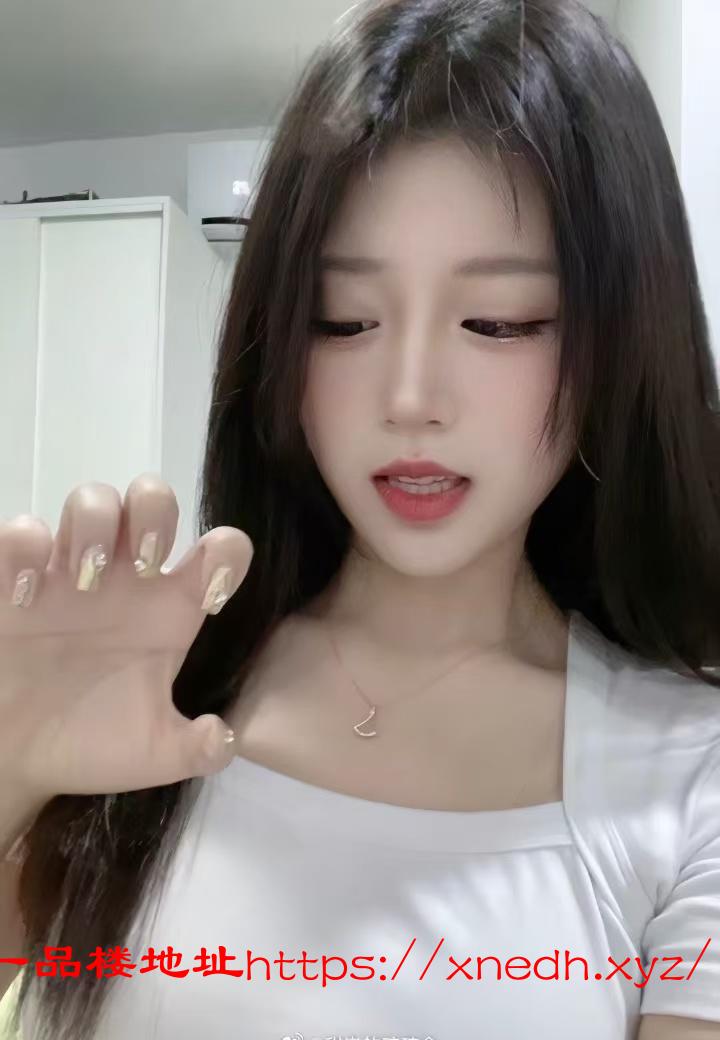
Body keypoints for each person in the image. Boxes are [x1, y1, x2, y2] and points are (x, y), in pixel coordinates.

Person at [1, 0, 719, 1037]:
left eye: (499, 321)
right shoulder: (163, 687)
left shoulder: (688, 775)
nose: (410, 397)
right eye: (344, 320)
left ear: (621, 338)